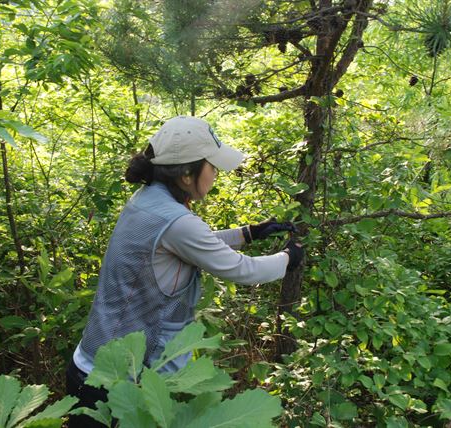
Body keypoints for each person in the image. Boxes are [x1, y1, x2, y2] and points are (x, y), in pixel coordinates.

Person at [66, 115, 303, 427]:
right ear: (188, 174)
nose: (217, 173)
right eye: (213, 166)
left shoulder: (148, 199)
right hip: (118, 383)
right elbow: (242, 270)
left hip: (95, 365)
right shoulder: (176, 221)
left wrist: (247, 233)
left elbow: (186, 245)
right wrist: (289, 258)